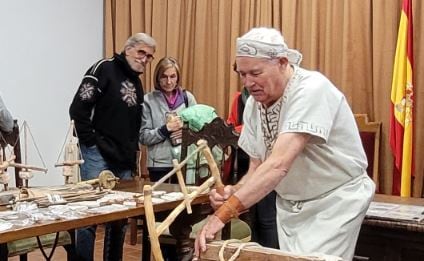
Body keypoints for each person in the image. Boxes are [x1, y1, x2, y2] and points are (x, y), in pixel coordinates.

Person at [194, 27, 375, 260]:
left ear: (282, 62)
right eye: (242, 74)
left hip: (334, 203)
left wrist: (222, 215)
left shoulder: (311, 89)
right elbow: (258, 168)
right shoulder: (253, 105)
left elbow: (278, 164)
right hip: (290, 208)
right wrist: (234, 191)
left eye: (256, 73)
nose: (248, 82)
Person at [69, 32, 157, 261]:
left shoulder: (137, 83)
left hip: (123, 159)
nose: (145, 59)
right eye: (141, 52)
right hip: (97, 155)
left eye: (149, 56)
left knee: (118, 218)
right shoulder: (103, 69)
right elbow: (78, 109)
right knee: (89, 215)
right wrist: (90, 144)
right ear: (128, 49)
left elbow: (133, 125)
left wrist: (132, 156)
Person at [226, 85, 279, 249]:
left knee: (267, 219)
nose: (248, 80)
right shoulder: (242, 100)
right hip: (245, 162)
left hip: (271, 169)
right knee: (252, 218)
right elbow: (232, 124)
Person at [140, 57, 196, 183]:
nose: (169, 81)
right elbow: (143, 137)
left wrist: (185, 132)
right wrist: (166, 129)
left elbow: (200, 131)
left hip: (185, 162)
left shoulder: (188, 98)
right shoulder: (148, 100)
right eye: (164, 77)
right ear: (157, 78)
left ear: (178, 77)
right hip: (159, 165)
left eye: (173, 76)